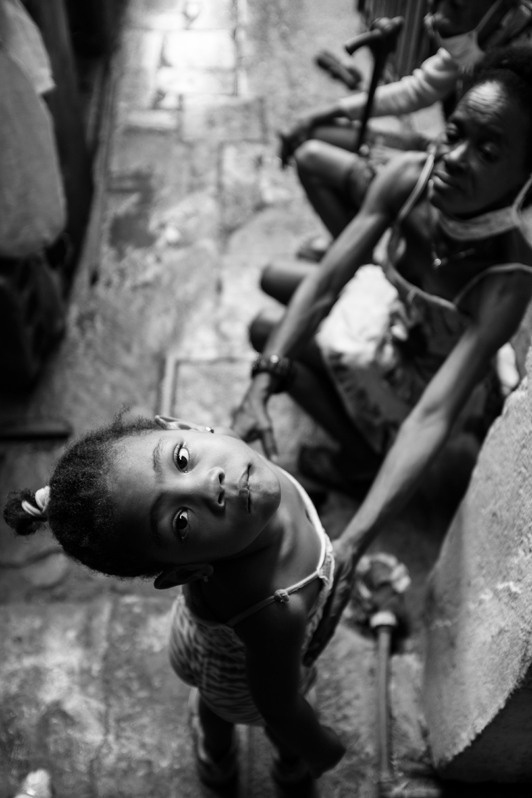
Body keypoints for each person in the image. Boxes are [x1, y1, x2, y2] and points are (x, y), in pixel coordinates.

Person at [232, 47, 532, 503]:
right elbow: (327, 282)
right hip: (396, 314)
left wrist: (353, 541)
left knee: (264, 331)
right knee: (275, 282)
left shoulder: (508, 276)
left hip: (426, 375)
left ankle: (362, 460)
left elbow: (433, 413)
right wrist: (261, 380)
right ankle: (335, 401)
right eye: (454, 133)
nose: (453, 157)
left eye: (487, 152)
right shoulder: (411, 178)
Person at [3, 413, 346, 790]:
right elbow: (279, 708)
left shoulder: (232, 455)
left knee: (208, 704)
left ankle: (214, 755)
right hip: (240, 682)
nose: (209, 484)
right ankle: (272, 765)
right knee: (229, 709)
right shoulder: (275, 611)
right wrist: (319, 747)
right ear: (186, 572)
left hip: (194, 636)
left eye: (182, 459)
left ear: (183, 426)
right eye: (181, 521)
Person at [279, 0, 532, 261]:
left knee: (311, 158)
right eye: (436, 3)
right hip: (438, 156)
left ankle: (363, 262)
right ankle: (353, 245)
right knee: (317, 134)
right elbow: (418, 89)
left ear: (503, 9)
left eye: (456, 6)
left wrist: (409, 173)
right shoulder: (478, 38)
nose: (437, 19)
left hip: (463, 187)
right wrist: (322, 113)